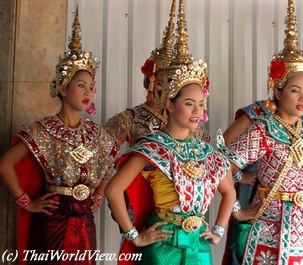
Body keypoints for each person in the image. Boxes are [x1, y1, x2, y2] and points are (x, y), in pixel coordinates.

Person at [105, 1, 236, 264]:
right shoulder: (151, 146)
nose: (197, 111)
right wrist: (134, 235)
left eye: (201, 104)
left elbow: (229, 192)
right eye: (189, 104)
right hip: (162, 243)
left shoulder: (205, 150)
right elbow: (113, 190)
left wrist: (219, 230)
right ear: (169, 104)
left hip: (199, 243)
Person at [218, 1, 303, 264]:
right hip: (267, 226)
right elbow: (222, 164)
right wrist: (237, 210)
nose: (302, 98)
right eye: (295, 90)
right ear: (278, 90)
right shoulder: (264, 129)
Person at [0, 9, 119, 265]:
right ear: (63, 88)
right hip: (52, 219)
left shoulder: (98, 135)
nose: (88, 92)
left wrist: (98, 195)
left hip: (84, 217)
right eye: (81, 85)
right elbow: (5, 164)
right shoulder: (43, 130)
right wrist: (26, 202)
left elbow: (110, 168)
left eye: (91, 86)